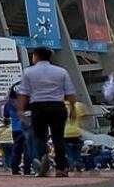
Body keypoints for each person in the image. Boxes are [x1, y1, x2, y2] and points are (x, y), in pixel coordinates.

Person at [17, 47, 78, 178]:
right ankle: (61, 168)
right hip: (57, 106)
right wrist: (73, 108)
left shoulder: (28, 72)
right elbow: (69, 92)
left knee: (39, 136)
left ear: (36, 56)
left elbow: (24, 93)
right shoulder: (61, 72)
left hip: (38, 106)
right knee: (58, 137)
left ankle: (43, 157)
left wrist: (21, 109)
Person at [63, 100, 90, 172]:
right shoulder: (78, 105)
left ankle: (71, 166)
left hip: (65, 132)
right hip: (76, 132)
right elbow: (85, 118)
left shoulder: (59, 106)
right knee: (77, 151)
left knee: (69, 152)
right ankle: (78, 164)